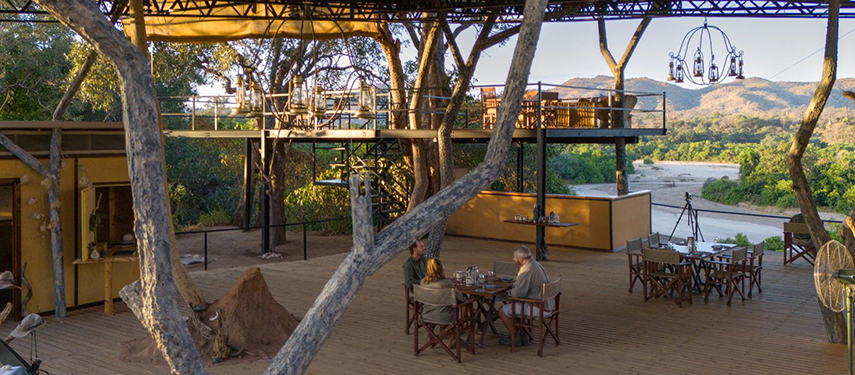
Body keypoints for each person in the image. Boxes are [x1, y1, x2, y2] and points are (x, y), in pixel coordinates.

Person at [497, 245, 550, 346]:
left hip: (537, 306)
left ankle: (514, 338)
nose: (513, 260)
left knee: (503, 310)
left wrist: (503, 294)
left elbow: (518, 294)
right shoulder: (536, 264)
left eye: (514, 258)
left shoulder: (526, 270)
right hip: (546, 304)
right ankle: (523, 336)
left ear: (521, 259)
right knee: (513, 306)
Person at [418, 258, 464, 325]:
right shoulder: (446, 283)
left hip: (427, 315)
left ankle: (440, 331)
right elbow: (460, 299)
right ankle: (459, 328)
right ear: (441, 270)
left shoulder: (423, 282)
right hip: (446, 317)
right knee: (466, 304)